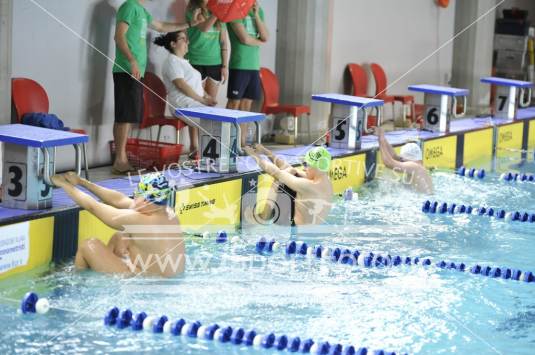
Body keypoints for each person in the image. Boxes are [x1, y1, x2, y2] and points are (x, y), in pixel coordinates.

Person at [112, 0, 200, 174]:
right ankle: (119, 160)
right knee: (125, 116)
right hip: (127, 69)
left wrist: (190, 23)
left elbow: (161, 26)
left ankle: (120, 158)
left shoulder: (141, 11)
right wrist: (131, 60)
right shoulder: (129, 6)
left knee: (127, 115)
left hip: (135, 71)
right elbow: (119, 36)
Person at [50, 172, 184, 277]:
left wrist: (63, 184)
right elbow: (119, 199)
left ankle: (75, 280)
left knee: (88, 245)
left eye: (136, 194)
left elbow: (93, 207)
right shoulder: (167, 212)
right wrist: (81, 182)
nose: (134, 197)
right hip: (162, 278)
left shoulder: (140, 221)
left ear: (144, 200)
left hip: (144, 281)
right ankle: (103, 266)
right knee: (120, 237)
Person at [155, 31, 218, 161]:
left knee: (220, 119)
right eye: (183, 39)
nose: (187, 42)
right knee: (212, 122)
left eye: (186, 39)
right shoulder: (171, 61)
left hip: (194, 103)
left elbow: (196, 85)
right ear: (173, 44)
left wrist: (206, 97)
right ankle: (208, 158)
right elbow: (181, 85)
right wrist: (202, 100)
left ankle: (210, 157)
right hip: (181, 104)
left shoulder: (184, 62)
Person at [244, 144, 333, 226]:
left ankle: (262, 218)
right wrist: (264, 151)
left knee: (278, 179)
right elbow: (289, 168)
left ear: (314, 166)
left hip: (294, 231)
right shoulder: (325, 181)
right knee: (291, 171)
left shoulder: (308, 186)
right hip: (309, 231)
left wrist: (254, 155)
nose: (304, 168)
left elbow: (276, 172)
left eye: (306, 164)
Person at [184, 0, 229, 160]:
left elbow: (223, 42)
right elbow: (204, 28)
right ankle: (194, 145)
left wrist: (224, 65)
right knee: (196, 105)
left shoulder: (218, 14)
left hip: (214, 63)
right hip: (196, 61)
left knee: (211, 106)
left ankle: (207, 145)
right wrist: (218, 14)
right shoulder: (192, 11)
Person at [226, 1, 268, 147]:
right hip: (239, 64)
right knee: (234, 104)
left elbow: (265, 36)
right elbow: (244, 38)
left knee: (246, 106)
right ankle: (226, 140)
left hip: (254, 66)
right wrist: (260, 42)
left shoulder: (257, 10)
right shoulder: (233, 10)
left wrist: (256, 15)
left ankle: (241, 143)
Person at [375, 126, 434, 194]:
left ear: (405, 158)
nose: (400, 160)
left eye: (402, 159)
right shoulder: (420, 167)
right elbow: (395, 157)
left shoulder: (413, 166)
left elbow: (388, 163)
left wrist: (380, 138)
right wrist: (383, 138)